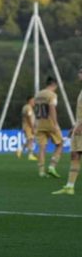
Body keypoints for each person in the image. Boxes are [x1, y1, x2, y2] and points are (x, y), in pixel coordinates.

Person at [53, 66, 82, 194]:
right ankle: (70, 186)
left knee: (77, 154)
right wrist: (75, 126)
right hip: (78, 127)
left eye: (81, 72)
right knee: (75, 155)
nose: (79, 74)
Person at [33, 77, 64, 178]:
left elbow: (35, 109)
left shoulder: (38, 95)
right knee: (60, 144)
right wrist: (55, 124)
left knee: (42, 148)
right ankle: (52, 166)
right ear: (54, 85)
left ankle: (41, 171)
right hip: (49, 123)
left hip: (39, 123)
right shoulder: (52, 95)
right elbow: (52, 108)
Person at [17, 96, 38, 161]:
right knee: (30, 140)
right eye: (33, 100)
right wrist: (32, 127)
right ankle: (30, 155)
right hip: (28, 126)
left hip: (27, 126)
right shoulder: (28, 108)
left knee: (30, 140)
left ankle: (20, 150)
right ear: (30, 101)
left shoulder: (26, 107)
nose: (34, 102)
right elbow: (29, 118)